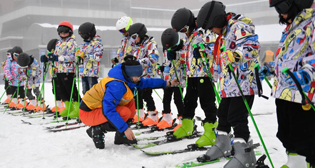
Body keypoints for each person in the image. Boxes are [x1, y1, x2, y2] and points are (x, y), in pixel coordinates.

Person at [195, 1, 261, 167]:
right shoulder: (224, 33)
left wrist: (235, 55)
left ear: (217, 21)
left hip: (243, 83)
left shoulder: (239, 27)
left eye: (211, 27)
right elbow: (222, 53)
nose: (212, 31)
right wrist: (204, 49)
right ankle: (223, 144)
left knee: (237, 118)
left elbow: (252, 47)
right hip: (229, 85)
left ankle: (245, 154)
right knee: (222, 115)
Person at [79, 55, 179, 149]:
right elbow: (108, 110)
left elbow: (147, 82)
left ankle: (120, 136)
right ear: (130, 74)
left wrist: (167, 83)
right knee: (124, 112)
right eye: (137, 76)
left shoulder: (127, 78)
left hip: (99, 110)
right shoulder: (117, 85)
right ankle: (97, 129)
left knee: (130, 103)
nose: (139, 78)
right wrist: (125, 128)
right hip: (88, 113)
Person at [265, 0, 315, 167]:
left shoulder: (312, 23)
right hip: (285, 91)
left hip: (303, 93)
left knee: (304, 135)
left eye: (282, 7)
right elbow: (286, 59)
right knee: (287, 133)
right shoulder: (292, 27)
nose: (280, 13)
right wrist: (271, 69)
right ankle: (294, 162)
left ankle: (305, 163)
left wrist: (307, 72)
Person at [170, 7, 218, 148]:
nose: (185, 33)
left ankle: (211, 131)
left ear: (190, 23)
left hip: (205, 73)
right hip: (192, 73)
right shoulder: (190, 36)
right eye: (182, 32)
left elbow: (215, 49)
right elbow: (188, 54)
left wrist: (203, 50)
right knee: (189, 101)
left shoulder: (205, 31)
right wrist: (176, 54)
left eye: (184, 30)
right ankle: (187, 125)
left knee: (207, 102)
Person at [127, 23, 160, 126]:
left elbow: (153, 59)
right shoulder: (137, 46)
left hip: (148, 76)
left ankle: (153, 115)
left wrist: (138, 61)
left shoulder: (151, 44)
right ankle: (140, 114)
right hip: (138, 76)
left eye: (135, 37)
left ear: (140, 34)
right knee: (137, 95)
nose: (134, 40)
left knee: (147, 95)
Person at [159, 28, 186, 130]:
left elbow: (186, 59)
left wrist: (177, 55)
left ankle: (183, 120)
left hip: (179, 78)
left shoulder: (184, 45)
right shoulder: (167, 47)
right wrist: (163, 67)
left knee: (178, 99)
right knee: (166, 98)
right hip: (168, 78)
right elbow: (167, 61)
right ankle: (167, 118)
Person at [53, 21, 81, 118]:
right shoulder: (58, 43)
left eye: (65, 31)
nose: (63, 34)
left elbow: (73, 57)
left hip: (68, 70)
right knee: (62, 90)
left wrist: (59, 58)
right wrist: (51, 58)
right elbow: (56, 54)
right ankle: (68, 107)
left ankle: (77, 108)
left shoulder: (72, 43)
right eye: (61, 31)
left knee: (71, 89)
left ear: (70, 32)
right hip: (59, 70)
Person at [77, 22, 103, 95]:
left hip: (92, 72)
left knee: (92, 91)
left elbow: (98, 56)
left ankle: (94, 105)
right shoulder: (83, 44)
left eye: (84, 35)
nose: (83, 38)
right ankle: (86, 104)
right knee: (85, 91)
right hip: (84, 72)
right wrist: (78, 57)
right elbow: (80, 54)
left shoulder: (97, 44)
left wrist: (85, 56)